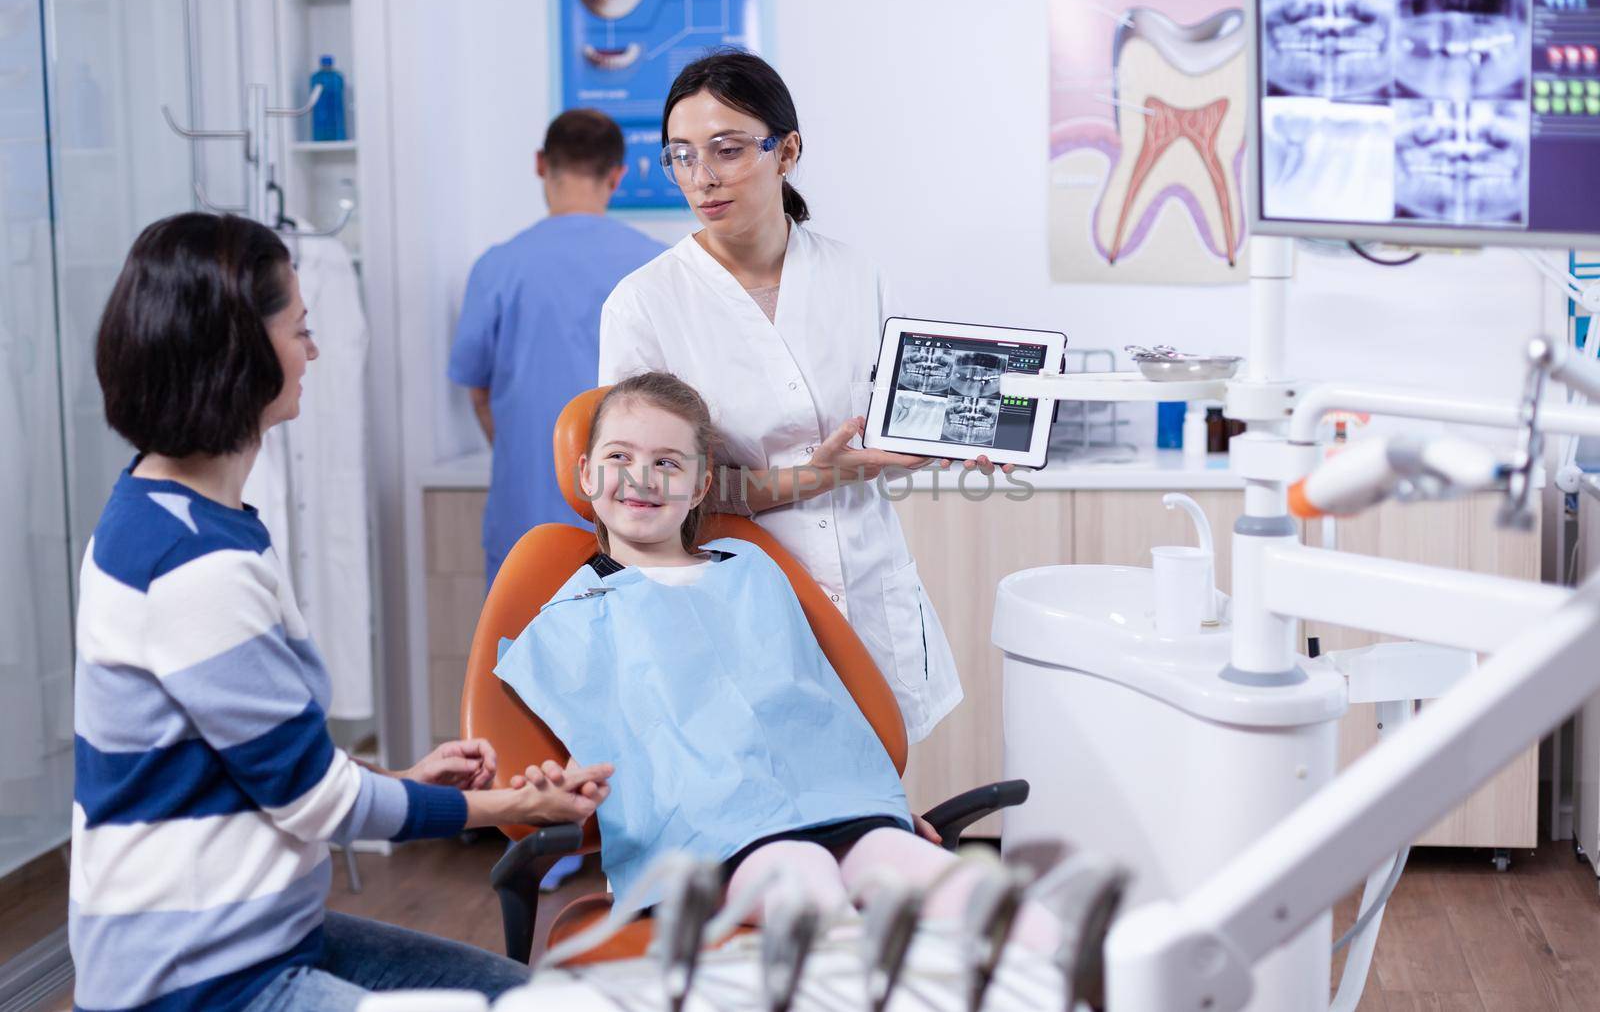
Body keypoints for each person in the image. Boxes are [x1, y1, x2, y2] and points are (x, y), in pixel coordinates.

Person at [73, 212, 613, 1012]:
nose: (314, 351)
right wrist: (517, 805)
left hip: (261, 936)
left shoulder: (170, 511)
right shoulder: (192, 565)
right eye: (301, 327)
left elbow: (265, 769)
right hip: (194, 980)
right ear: (240, 353)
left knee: (527, 995)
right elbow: (316, 802)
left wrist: (400, 777)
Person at [495, 374, 1058, 944]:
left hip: (839, 815)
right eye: (621, 456)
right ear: (587, 472)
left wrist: (870, 797)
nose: (643, 477)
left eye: (668, 463)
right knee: (823, 914)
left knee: (1012, 919)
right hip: (708, 843)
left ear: (700, 486)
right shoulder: (571, 619)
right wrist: (561, 792)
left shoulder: (751, 568)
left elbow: (814, 708)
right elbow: (609, 749)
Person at [599, 50, 973, 744]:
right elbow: (643, 499)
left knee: (877, 807)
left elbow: (889, 424)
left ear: (787, 150)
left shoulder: (855, 275)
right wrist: (814, 477)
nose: (701, 177)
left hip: (870, 594)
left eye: (728, 149)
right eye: (681, 156)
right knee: (773, 834)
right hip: (739, 611)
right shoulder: (644, 305)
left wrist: (950, 442)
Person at [450, 108, 665, 585]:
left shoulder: (499, 267)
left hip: (526, 519)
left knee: (519, 652)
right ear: (618, 174)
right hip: (632, 518)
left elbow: (479, 393)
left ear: (540, 164)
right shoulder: (657, 265)